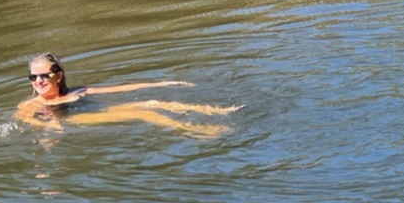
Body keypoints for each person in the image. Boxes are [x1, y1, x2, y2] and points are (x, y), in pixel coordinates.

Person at [17, 53, 240, 137]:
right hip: (74, 121)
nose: (38, 81)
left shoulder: (77, 92)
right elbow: (25, 120)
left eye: (44, 75)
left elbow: (121, 89)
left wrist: (163, 82)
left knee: (150, 102)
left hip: (88, 113)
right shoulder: (29, 104)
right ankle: (199, 130)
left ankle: (216, 110)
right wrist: (50, 127)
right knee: (145, 113)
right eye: (33, 77)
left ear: (59, 75)